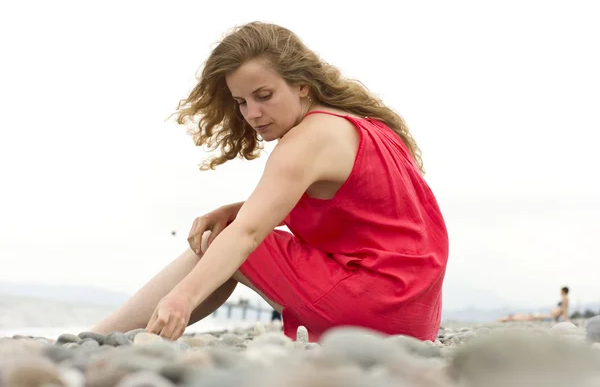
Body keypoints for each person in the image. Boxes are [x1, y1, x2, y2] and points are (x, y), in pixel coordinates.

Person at [90, 21, 449, 343]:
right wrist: (236, 210)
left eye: (264, 96)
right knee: (232, 226)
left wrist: (182, 296)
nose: (253, 114)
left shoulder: (305, 141)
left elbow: (246, 235)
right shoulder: (363, 126)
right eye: (241, 102)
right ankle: (116, 331)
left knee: (225, 238)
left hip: (374, 311)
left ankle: (105, 335)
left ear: (302, 86)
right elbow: (364, 214)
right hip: (414, 318)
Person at [499, 286, 571, 322]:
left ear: (563, 291)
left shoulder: (565, 299)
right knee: (531, 316)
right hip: (550, 315)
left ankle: (510, 318)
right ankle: (510, 317)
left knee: (531, 317)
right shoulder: (564, 299)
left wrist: (567, 320)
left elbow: (564, 311)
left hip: (550, 316)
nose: (560, 292)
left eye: (561, 291)